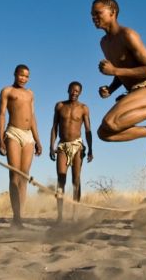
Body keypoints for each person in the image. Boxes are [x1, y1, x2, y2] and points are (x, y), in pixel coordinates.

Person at [91, 0, 146, 149]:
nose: (93, 17)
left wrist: (114, 70)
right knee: (104, 133)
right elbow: (123, 70)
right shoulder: (104, 43)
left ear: (112, 12)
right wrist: (111, 88)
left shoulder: (128, 35)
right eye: (92, 14)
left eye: (98, 13)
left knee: (110, 122)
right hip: (133, 90)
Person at [0, 64, 42, 228]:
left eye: (27, 76)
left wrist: (38, 140)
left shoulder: (30, 94)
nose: (23, 78)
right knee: (14, 175)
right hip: (13, 133)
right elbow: (2, 114)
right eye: (21, 75)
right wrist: (0, 138)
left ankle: (20, 217)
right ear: (15, 74)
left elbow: (32, 117)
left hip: (28, 135)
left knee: (24, 176)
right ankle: (16, 217)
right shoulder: (7, 91)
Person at [49, 81, 93, 223]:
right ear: (68, 90)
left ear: (80, 92)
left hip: (77, 145)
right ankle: (60, 216)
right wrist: (51, 146)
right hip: (62, 145)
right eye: (72, 90)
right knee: (61, 179)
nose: (74, 92)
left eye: (77, 91)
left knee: (76, 180)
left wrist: (90, 149)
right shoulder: (60, 106)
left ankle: (75, 215)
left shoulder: (83, 108)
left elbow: (87, 130)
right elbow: (54, 127)